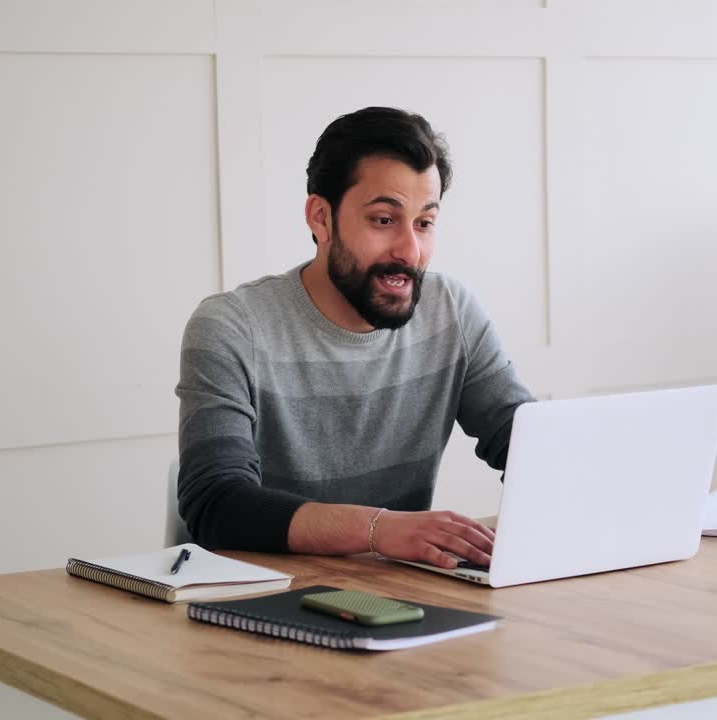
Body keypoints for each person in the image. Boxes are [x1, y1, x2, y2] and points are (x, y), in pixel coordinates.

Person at [175, 106, 533, 570]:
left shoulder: (451, 312)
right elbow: (216, 504)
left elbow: (530, 448)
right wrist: (379, 529)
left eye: (424, 223)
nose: (410, 251)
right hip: (262, 593)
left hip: (399, 593)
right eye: (383, 220)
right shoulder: (232, 327)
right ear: (321, 218)